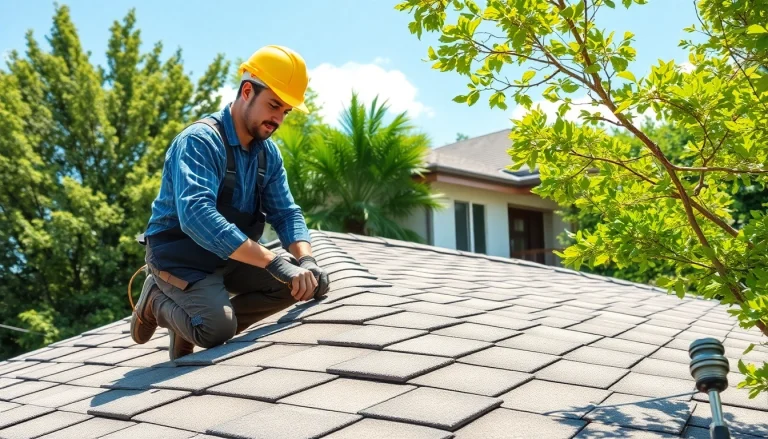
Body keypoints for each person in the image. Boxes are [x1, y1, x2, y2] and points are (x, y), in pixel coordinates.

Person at [129, 45, 330, 360]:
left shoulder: (268, 155)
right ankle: (158, 299)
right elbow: (197, 215)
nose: (277, 119)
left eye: (285, 111)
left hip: (229, 258)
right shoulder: (199, 141)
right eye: (274, 105)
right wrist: (274, 261)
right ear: (247, 91)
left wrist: (306, 262)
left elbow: (287, 213)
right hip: (180, 258)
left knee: (297, 285)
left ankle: (194, 321)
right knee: (216, 330)